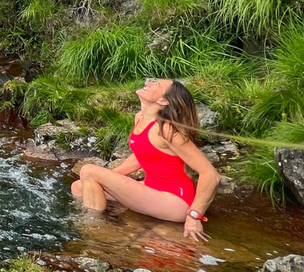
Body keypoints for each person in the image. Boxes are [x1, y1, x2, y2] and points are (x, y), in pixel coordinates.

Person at [71, 78, 220, 242]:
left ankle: (95, 230)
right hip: (152, 190)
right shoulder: (140, 117)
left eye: (156, 84)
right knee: (79, 186)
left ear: (163, 100)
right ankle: (113, 222)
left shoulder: (166, 129)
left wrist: (194, 216)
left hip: (175, 201)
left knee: (89, 171)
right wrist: (109, 177)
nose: (148, 83)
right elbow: (143, 154)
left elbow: (211, 175)